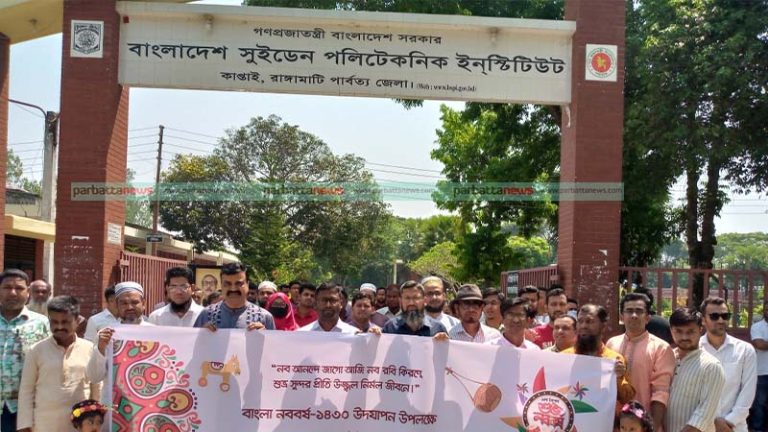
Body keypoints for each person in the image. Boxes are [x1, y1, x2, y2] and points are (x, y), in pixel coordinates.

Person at [17, 296, 100, 432]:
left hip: (79, 425)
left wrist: (96, 421)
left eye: (65, 322)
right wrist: (24, 424)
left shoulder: (90, 349)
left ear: (77, 320)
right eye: (54, 322)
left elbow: (96, 386)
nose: (59, 327)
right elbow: (26, 390)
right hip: (44, 425)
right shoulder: (36, 350)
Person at [607, 292, 675, 432]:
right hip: (614, 425)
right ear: (621, 316)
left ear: (648, 317)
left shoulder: (661, 348)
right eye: (629, 311)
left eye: (639, 311)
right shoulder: (611, 344)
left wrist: (652, 427)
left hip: (643, 426)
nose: (634, 315)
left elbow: (660, 392)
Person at [0, 269, 49, 432]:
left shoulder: (41, 324)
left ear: (28, 292)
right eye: (7, 287)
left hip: (26, 408)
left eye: (19, 288)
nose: (13, 293)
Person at [562, 304, 635, 413]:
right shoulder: (564, 357)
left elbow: (627, 398)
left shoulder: (614, 359)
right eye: (580, 321)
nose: (583, 326)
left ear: (603, 326)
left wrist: (618, 378)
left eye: (589, 321)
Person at [699, 296, 756, 432]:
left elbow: (748, 391)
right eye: (714, 316)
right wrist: (712, 422)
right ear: (703, 320)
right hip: (701, 425)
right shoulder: (695, 350)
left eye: (725, 316)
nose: (720, 320)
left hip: (735, 427)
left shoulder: (745, 350)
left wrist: (729, 422)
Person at [666, 307, 725, 432]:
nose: (684, 337)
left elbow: (703, 416)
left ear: (700, 330)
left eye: (690, 332)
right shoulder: (665, 359)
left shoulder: (711, 366)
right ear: (671, 330)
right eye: (678, 331)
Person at [86, 282, 156, 386]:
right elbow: (94, 377)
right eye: (124, 303)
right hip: (112, 395)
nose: (129, 307)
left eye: (135, 302)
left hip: (146, 394)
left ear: (143, 303)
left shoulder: (155, 333)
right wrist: (100, 348)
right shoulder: (106, 335)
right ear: (117, 305)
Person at [194, 263, 275, 331]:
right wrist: (201, 334)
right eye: (227, 284)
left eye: (238, 284)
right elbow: (192, 343)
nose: (233, 289)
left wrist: (266, 337)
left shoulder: (264, 317)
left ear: (247, 284)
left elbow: (273, 345)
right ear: (221, 285)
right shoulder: (206, 315)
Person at [382, 281, 448, 338]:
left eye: (416, 298)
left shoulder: (438, 329)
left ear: (425, 301)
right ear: (400, 301)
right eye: (407, 298)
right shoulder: (390, 328)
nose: (411, 303)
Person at [750, 297, 768, 432]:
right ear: (764, 311)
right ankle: (757, 429)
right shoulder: (757, 327)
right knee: (759, 404)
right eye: (767, 309)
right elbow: (759, 344)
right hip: (762, 372)